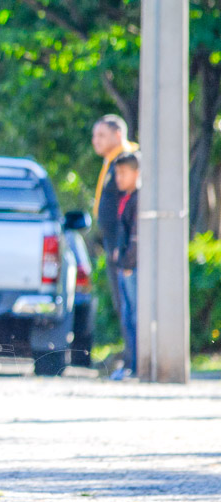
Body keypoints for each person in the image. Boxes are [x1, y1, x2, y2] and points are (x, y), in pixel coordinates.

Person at [91, 115, 138, 369]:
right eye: (94, 136)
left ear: (118, 134)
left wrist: (125, 247)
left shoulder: (128, 160)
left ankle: (135, 360)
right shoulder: (112, 161)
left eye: (101, 135)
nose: (95, 141)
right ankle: (131, 359)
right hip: (115, 245)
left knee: (129, 304)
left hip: (125, 247)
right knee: (123, 304)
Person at [111, 152, 140, 381]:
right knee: (127, 315)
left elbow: (136, 237)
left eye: (123, 173)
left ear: (137, 173)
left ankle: (136, 364)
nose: (118, 178)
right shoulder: (127, 197)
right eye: (116, 173)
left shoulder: (139, 199)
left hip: (132, 267)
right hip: (124, 265)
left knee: (134, 316)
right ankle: (130, 363)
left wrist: (128, 262)